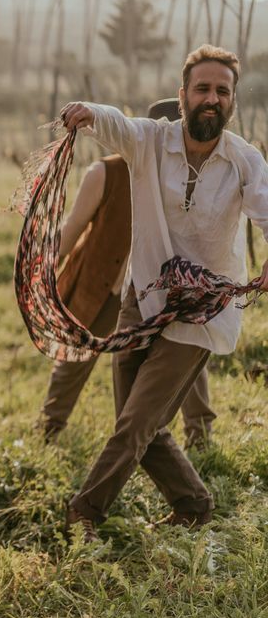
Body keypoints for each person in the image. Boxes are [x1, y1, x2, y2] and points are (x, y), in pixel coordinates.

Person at [60, 44, 268, 542]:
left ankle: (84, 513)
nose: (211, 98)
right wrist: (89, 112)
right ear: (182, 96)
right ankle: (192, 502)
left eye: (222, 91)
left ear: (233, 101)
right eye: (202, 89)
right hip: (142, 299)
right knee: (135, 421)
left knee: (134, 424)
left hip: (202, 313)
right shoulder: (151, 141)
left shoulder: (245, 160)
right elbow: (117, 124)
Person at [40, 98, 216, 449]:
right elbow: (71, 232)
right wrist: (39, 265)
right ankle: (49, 429)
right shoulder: (104, 173)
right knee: (79, 353)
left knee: (186, 354)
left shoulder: (192, 185)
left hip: (162, 292)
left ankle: (200, 437)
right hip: (105, 286)